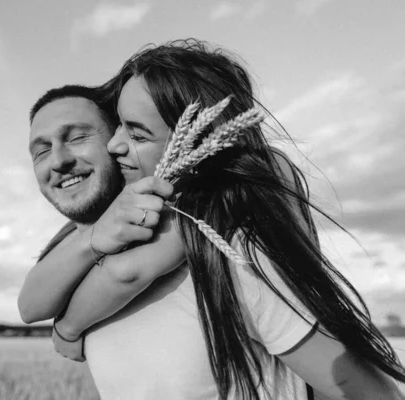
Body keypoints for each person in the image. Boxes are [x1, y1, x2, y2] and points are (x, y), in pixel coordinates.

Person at [20, 40, 405, 400]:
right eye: (41, 150)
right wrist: (70, 313)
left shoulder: (232, 255)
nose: (58, 159)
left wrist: (68, 327)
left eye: (77, 136)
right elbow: (30, 304)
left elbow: (368, 392)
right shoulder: (76, 257)